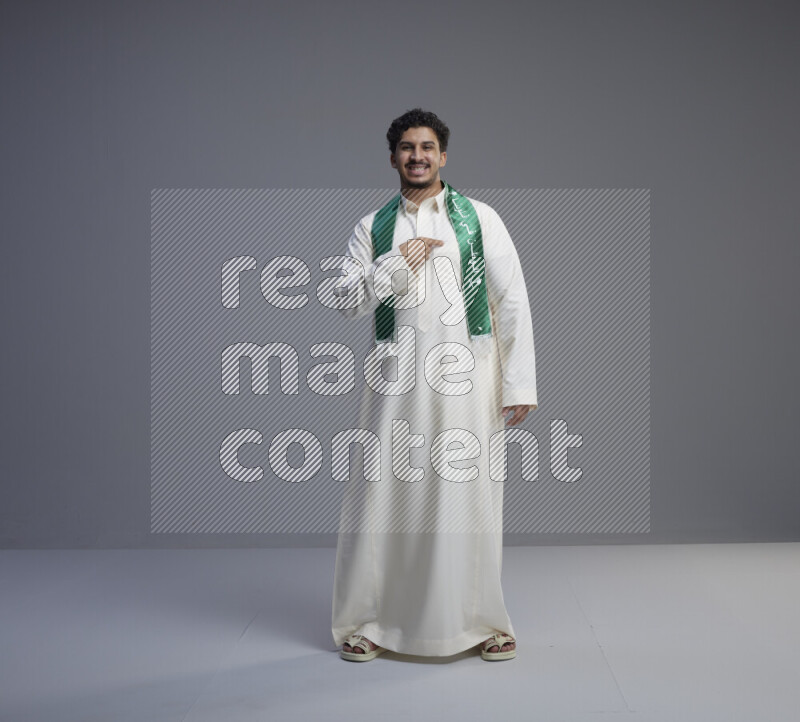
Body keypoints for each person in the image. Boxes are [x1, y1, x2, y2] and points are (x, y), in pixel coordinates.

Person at [331, 108, 538, 662]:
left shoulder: (479, 219)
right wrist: (394, 265)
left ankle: (481, 622)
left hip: (466, 381)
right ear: (393, 157)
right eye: (406, 148)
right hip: (394, 380)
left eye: (427, 147)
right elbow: (347, 301)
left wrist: (518, 383)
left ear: (443, 156)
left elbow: (511, 300)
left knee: (467, 498)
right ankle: (371, 623)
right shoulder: (372, 227)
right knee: (384, 495)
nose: (416, 156)